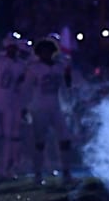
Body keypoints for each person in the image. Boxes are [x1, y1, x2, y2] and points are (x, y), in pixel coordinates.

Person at [21, 37, 73, 185]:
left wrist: (67, 105)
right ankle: (38, 174)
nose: (46, 54)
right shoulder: (34, 68)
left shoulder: (59, 67)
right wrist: (24, 107)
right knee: (39, 142)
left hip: (57, 107)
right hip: (39, 107)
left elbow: (64, 87)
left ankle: (66, 173)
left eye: (49, 51)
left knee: (65, 139)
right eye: (43, 51)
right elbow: (26, 89)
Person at [0, 33, 27, 179]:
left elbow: (20, 88)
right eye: (10, 46)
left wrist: (20, 106)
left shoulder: (21, 65)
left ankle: (6, 168)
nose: (12, 50)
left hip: (11, 103)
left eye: (15, 47)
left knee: (9, 136)